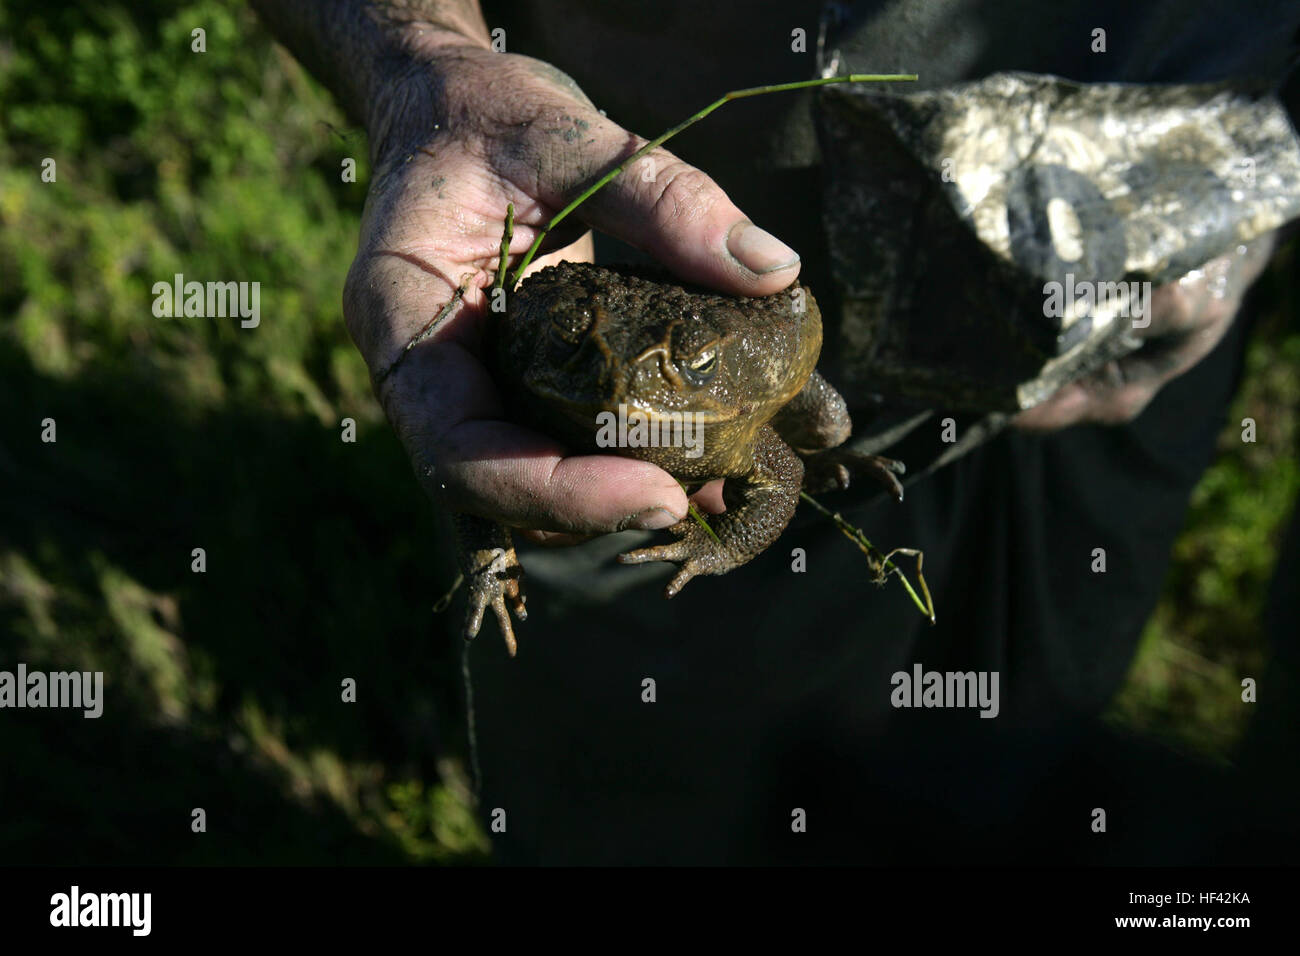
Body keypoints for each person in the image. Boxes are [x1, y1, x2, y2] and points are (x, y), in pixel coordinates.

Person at [251, 0, 1300, 863]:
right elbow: (733, 475)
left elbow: (784, 461)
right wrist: (425, 69)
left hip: (1154, 244)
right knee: (652, 783)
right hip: (644, 216)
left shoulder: (723, 413)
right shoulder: (586, 390)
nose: (628, 389)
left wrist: (1267, 152)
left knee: (1030, 723)